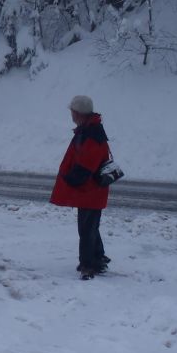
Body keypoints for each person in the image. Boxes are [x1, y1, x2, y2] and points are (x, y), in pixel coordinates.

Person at [50, 95, 112, 280]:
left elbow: (87, 165)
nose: (71, 114)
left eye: (72, 111)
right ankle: (98, 258)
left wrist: (70, 179)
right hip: (90, 191)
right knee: (91, 227)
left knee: (86, 229)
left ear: (78, 113)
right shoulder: (88, 130)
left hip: (90, 191)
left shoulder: (91, 134)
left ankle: (88, 265)